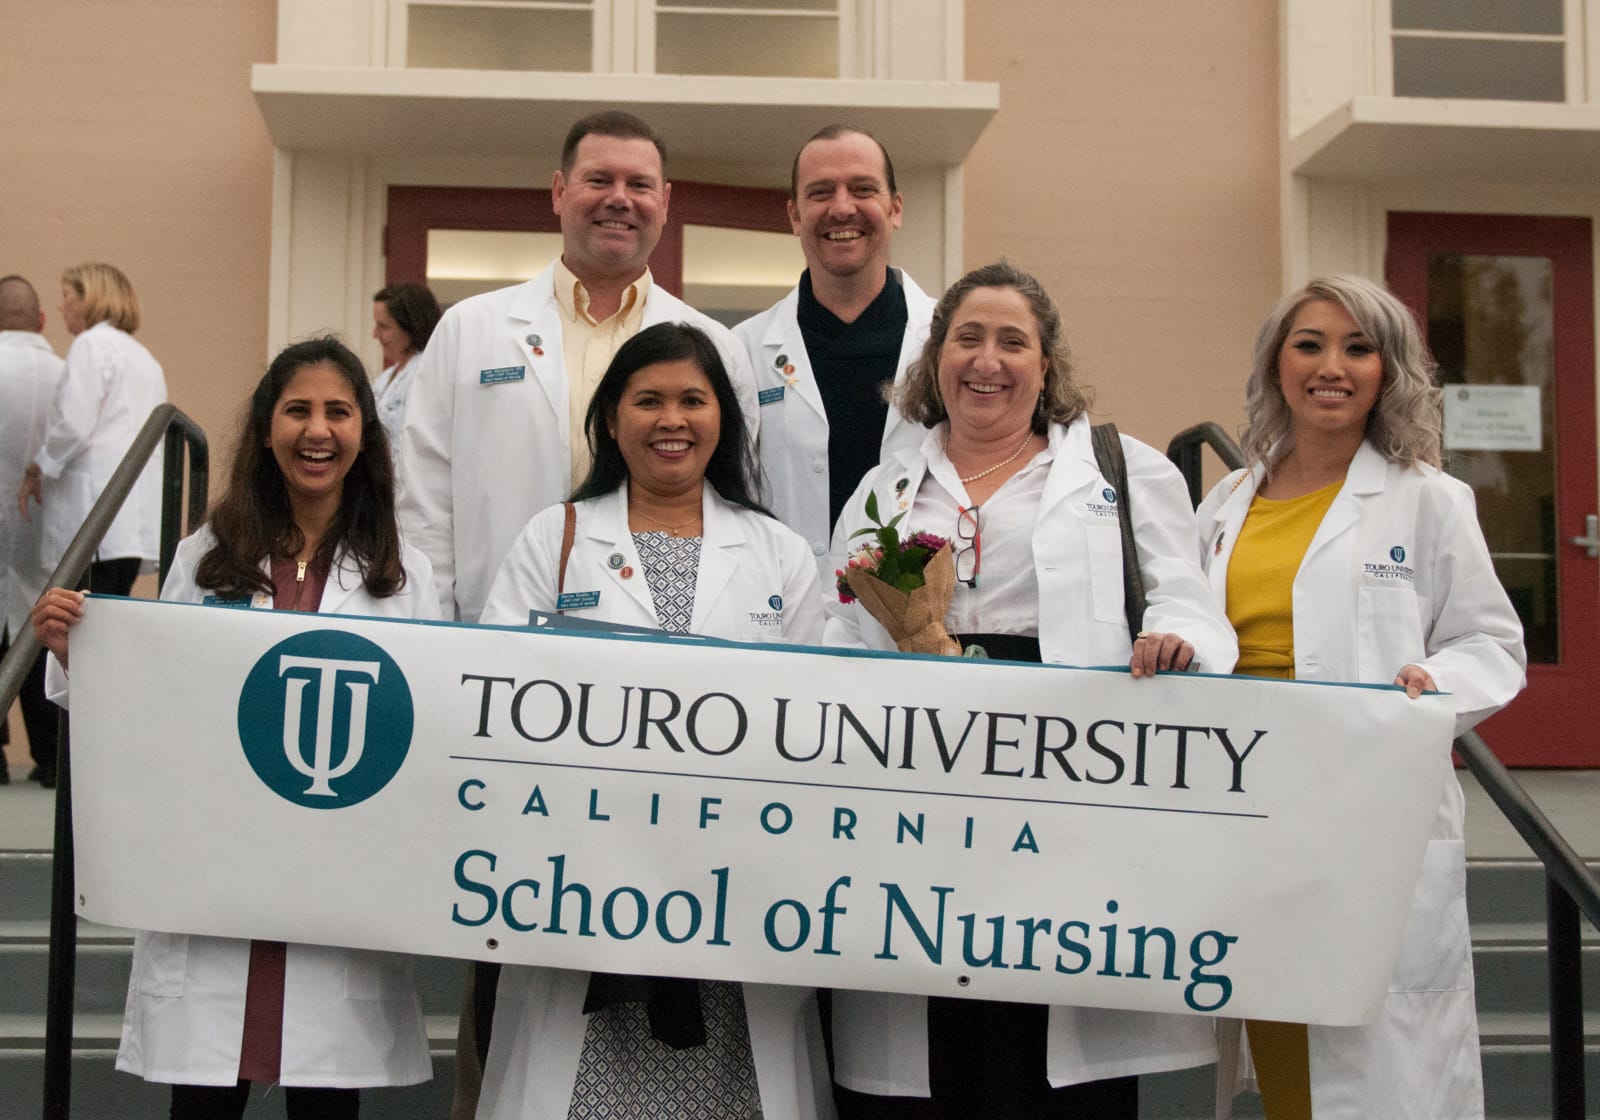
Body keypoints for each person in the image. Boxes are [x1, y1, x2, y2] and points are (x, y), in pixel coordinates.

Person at [822, 261, 1236, 1118]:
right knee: (927, 1015)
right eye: (967, 337)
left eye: (1015, 342)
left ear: (1047, 366)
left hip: (1064, 772)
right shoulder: (884, 489)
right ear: (936, 359)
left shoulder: (1126, 474)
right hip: (916, 774)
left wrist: (1178, 643)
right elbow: (839, 636)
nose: (988, 360)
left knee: (1044, 1034)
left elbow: (1186, 600)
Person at [32, 337, 437, 1119]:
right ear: (265, 429)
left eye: (338, 412)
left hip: (336, 883)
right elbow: (156, 699)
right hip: (215, 876)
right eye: (297, 411)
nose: (317, 431)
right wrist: (80, 653)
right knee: (205, 1102)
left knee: (326, 1100)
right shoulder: (207, 556)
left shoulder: (407, 576)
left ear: (365, 435)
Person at [475, 321, 830, 1119]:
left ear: (724, 420)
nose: (672, 419)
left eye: (693, 400)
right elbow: (496, 696)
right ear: (610, 419)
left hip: (738, 884)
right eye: (649, 400)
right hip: (586, 877)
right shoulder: (554, 539)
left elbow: (819, 717)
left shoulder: (779, 554)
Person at [1195, 275, 1526, 1119]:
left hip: (1369, 807)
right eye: (1308, 344)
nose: (1330, 366)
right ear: (1277, 365)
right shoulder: (1227, 503)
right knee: (1281, 1036)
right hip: (1251, 807)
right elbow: (1198, 629)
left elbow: (1491, 641)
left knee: (1380, 1062)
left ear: (1389, 371)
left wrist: (1436, 684)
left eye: (1357, 347)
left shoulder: (1429, 500)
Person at [398, 109, 759, 627]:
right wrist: (432, 631)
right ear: (559, 192)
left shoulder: (715, 347)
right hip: (493, 633)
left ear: (665, 202)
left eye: (639, 184)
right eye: (599, 180)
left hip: (661, 640)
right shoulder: (468, 329)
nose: (620, 198)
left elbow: (734, 498)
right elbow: (424, 504)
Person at [734, 125, 935, 574]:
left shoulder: (949, 343)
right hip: (782, 609)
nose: (842, 208)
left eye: (863, 189)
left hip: (925, 616)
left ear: (895, 208)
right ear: (794, 214)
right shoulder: (740, 351)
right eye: (821, 192)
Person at [16, 262, 168, 601]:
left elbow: (73, 425)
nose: (61, 306)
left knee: (77, 623)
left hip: (93, 522)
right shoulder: (146, 360)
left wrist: (36, 468)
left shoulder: (91, 346)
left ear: (90, 298)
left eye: (66, 295)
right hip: (130, 526)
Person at [0, 276, 66, 786]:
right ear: (41, 320)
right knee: (45, 625)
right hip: (50, 528)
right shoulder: (67, 375)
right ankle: (51, 755)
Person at [371, 281, 443, 449]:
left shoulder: (427, 373)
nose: (375, 335)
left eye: (383, 327)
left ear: (411, 326)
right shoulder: (386, 377)